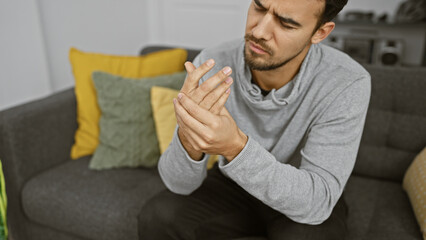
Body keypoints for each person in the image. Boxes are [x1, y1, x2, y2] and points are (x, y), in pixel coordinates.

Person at [138, 0, 371, 239]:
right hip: (233, 185)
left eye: (286, 23)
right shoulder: (213, 63)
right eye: (259, 7)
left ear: (320, 32)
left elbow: (316, 201)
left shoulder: (346, 82)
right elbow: (178, 185)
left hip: (301, 186)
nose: (258, 31)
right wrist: (188, 135)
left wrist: (235, 147)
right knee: (158, 215)